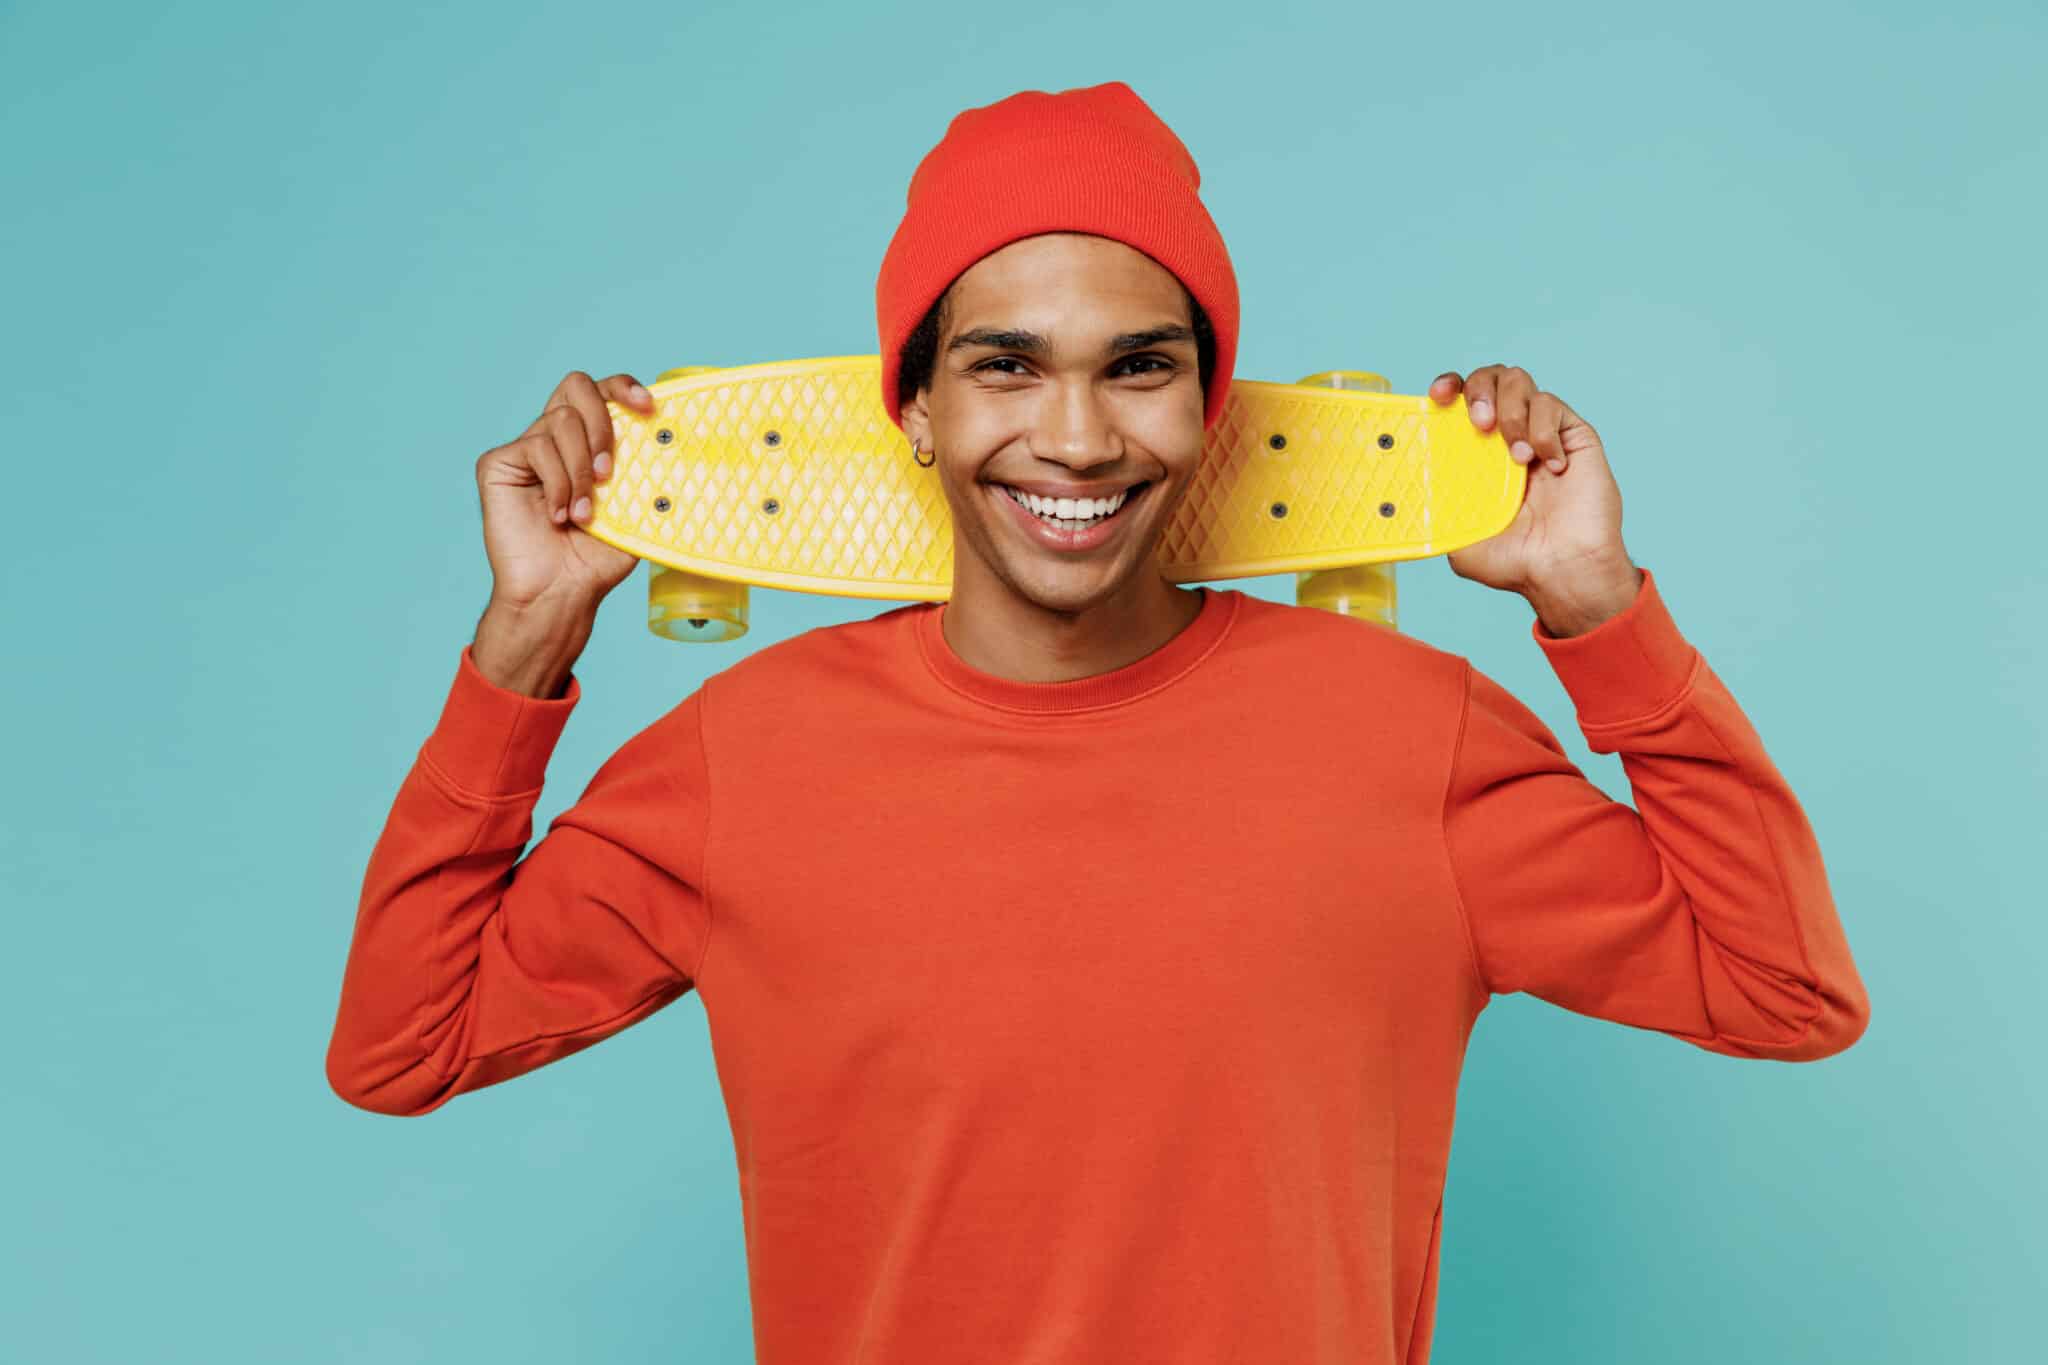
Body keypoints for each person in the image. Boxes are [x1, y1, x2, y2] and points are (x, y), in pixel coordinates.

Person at [325, 81, 1870, 1365]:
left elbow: (1785, 987)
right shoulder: (750, 755)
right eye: (1007, 364)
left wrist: (1600, 609)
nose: (1076, 435)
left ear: (1210, 405)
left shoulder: (1413, 739)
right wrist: (526, 640)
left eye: (1142, 366)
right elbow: (406, 1041)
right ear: (913, 405)